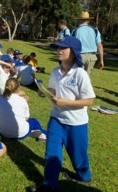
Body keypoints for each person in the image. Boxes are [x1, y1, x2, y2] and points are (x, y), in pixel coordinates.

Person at [32, 36, 95, 191]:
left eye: (63, 48)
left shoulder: (80, 74)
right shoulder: (55, 71)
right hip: (56, 118)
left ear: (73, 53)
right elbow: (53, 89)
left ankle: (83, 175)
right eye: (58, 48)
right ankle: (49, 184)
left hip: (76, 123)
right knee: (52, 151)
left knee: (78, 155)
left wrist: (66, 102)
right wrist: (45, 92)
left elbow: (89, 101)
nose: (59, 51)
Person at [71, 11, 104, 75]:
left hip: (79, 56)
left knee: (78, 77)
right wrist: (101, 60)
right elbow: (99, 46)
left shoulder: (75, 31)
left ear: (79, 20)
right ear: (88, 20)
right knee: (86, 78)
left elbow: (70, 45)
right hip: (91, 57)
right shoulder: (95, 30)